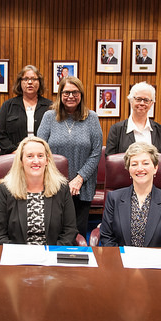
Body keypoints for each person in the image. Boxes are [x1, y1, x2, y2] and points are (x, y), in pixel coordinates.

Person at [37, 76, 102, 238]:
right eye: (66, 92)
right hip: (52, 185)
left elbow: (96, 152)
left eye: (75, 92)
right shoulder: (49, 117)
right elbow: (40, 149)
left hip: (82, 186)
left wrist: (79, 179)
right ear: (60, 94)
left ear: (81, 95)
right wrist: (58, 181)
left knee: (77, 234)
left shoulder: (92, 118)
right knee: (52, 232)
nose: (71, 96)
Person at [0, 137, 78, 245]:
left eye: (40, 156)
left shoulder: (61, 188)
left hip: (51, 256)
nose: (36, 161)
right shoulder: (7, 189)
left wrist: (51, 253)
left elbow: (70, 231)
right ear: (21, 160)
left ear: (47, 160)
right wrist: (22, 255)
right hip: (19, 258)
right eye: (30, 156)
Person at [100, 142, 161, 247]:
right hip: (122, 261)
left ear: (155, 168)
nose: (140, 169)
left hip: (156, 262)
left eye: (145, 163)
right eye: (134, 164)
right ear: (129, 170)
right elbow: (106, 238)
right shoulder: (114, 198)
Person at [0, 65, 53, 155]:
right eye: (25, 79)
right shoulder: (8, 106)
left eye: (34, 79)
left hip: (42, 157)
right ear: (20, 82)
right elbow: (0, 135)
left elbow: (54, 135)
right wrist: (17, 153)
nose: (30, 82)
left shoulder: (50, 106)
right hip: (13, 157)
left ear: (39, 82)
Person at [106, 82, 161, 156]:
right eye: (138, 99)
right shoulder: (116, 130)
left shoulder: (160, 131)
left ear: (151, 104)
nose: (142, 103)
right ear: (131, 101)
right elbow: (110, 161)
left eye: (146, 100)